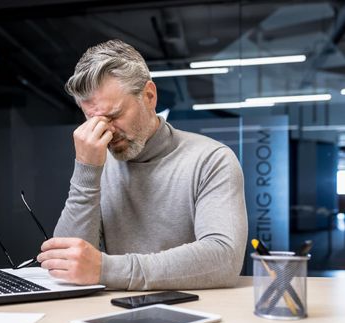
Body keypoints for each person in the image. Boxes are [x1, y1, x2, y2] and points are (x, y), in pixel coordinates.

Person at [36, 39, 248, 290]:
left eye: (114, 116)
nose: (106, 131)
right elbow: (65, 263)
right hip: (118, 312)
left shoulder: (212, 159)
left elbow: (224, 258)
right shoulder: (97, 162)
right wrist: (86, 171)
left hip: (198, 312)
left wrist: (106, 270)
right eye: (92, 118)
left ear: (149, 96)